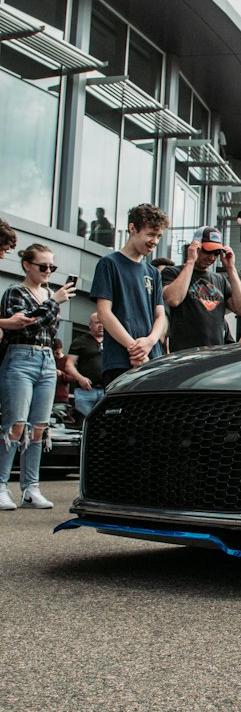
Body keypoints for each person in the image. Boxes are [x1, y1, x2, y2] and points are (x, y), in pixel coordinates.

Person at [0, 244, 77, 510]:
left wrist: (51, 301)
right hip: (20, 358)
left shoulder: (47, 293)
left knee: (40, 427)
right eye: (42, 266)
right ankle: (1, 486)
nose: (47, 271)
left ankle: (31, 488)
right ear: (26, 265)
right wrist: (53, 302)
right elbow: (28, 322)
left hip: (46, 361)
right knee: (15, 425)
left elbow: (49, 331)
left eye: (51, 267)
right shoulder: (15, 292)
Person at [90, 203, 170, 388]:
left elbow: (160, 316)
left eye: (159, 236)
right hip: (120, 360)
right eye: (150, 234)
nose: (155, 241)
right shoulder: (109, 264)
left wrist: (149, 343)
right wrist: (134, 349)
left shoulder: (154, 273)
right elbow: (104, 313)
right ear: (132, 228)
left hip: (152, 359)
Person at [161, 227, 241, 352]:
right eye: (208, 251)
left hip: (215, 353)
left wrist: (231, 269)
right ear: (196, 248)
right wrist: (190, 261)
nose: (211, 258)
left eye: (216, 253)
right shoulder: (172, 272)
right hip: (185, 354)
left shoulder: (220, 280)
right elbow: (173, 299)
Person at [65, 310, 106, 420]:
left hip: (106, 390)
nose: (101, 325)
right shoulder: (80, 341)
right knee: (83, 423)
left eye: (103, 322)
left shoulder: (111, 342)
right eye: (97, 322)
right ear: (90, 325)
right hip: (85, 391)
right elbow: (69, 365)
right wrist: (80, 378)